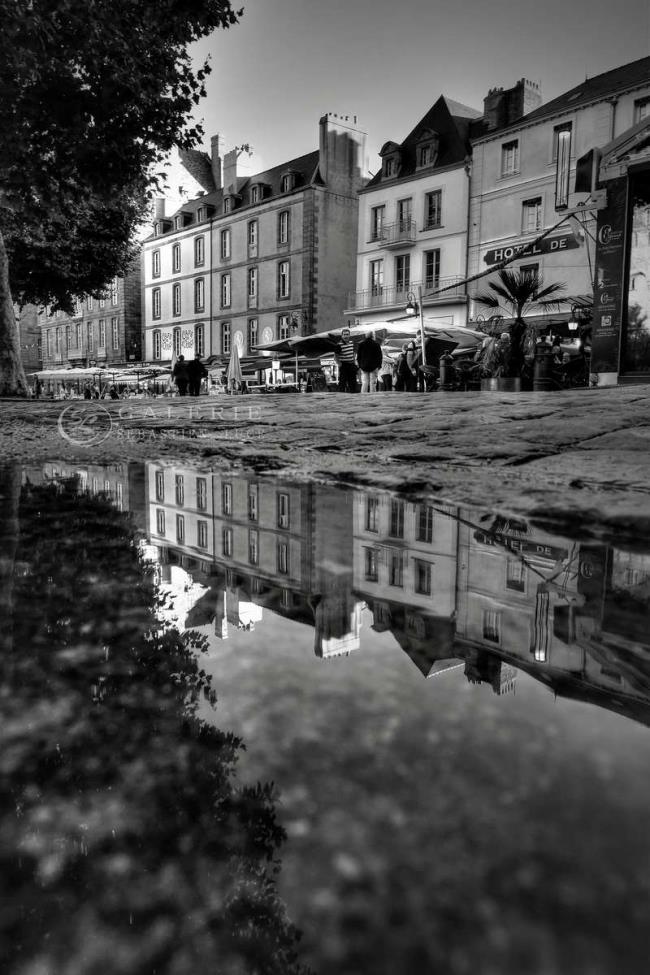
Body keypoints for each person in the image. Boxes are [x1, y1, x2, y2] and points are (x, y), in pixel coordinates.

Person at [336, 326, 358, 393]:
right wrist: (340, 364)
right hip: (344, 365)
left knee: (353, 382)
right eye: (344, 335)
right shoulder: (338, 345)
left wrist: (354, 361)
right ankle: (341, 397)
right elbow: (335, 356)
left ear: (349, 335)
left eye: (347, 334)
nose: (346, 336)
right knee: (342, 382)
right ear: (342, 336)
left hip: (351, 364)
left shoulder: (352, 343)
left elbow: (354, 353)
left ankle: (353, 397)